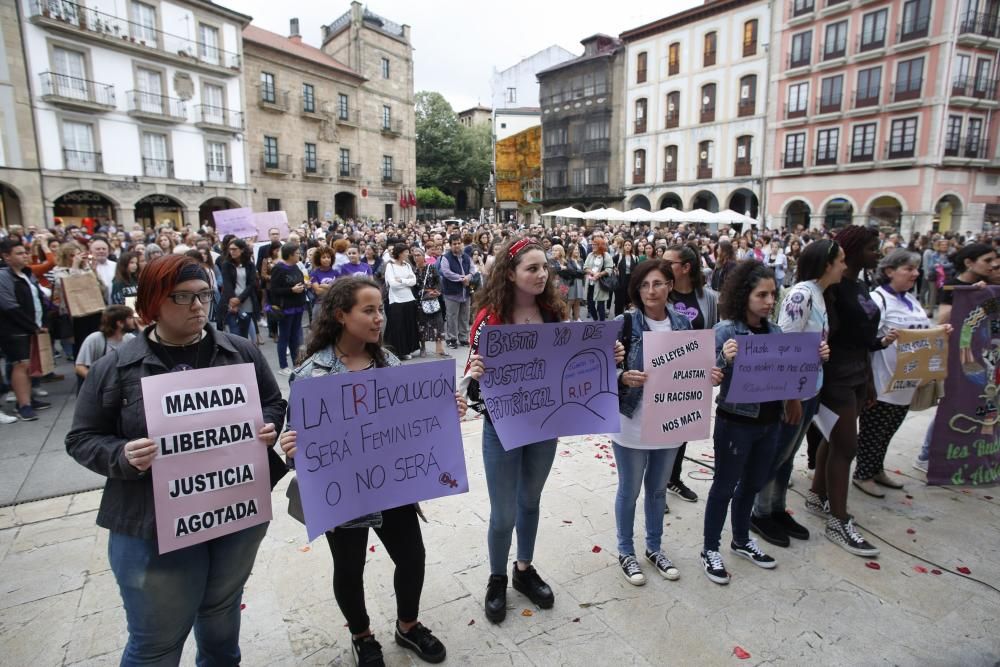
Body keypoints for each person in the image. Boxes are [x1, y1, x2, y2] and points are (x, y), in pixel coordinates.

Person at [65, 254, 286, 665]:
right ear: (152, 302)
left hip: (234, 513)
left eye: (204, 295)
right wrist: (121, 454)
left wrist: (267, 425)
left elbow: (273, 401)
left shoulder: (238, 351)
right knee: (156, 643)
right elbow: (81, 438)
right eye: (182, 298)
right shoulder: (114, 367)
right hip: (150, 525)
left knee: (221, 616)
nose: (198, 307)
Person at [279, 277, 465, 666]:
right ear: (340, 315)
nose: (379, 318)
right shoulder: (311, 376)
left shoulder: (390, 363)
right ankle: (362, 636)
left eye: (380, 309)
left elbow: (412, 422)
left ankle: (408, 626)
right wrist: (294, 450)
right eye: (369, 310)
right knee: (349, 568)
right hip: (343, 494)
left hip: (392, 487)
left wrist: (445, 411)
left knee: (412, 557)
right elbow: (299, 452)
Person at [463, 237, 624, 623]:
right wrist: (475, 371)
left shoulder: (553, 312)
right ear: (510, 273)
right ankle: (497, 577)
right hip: (502, 426)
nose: (541, 274)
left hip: (544, 425)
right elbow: (474, 375)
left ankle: (523, 569)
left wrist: (608, 355)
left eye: (544, 268)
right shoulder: (490, 317)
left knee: (530, 501)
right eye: (531, 268)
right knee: (503, 513)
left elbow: (571, 358)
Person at [703, 261, 827, 584]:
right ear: (745, 295)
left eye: (773, 294)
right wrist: (722, 360)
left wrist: (813, 357)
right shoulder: (726, 331)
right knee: (724, 486)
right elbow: (706, 378)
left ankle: (741, 539)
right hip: (735, 423)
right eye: (762, 294)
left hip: (770, 424)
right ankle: (710, 548)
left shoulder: (775, 332)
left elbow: (786, 373)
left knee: (753, 484)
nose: (770, 301)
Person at [612, 259, 722, 585]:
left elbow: (692, 368)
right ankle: (626, 551)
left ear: (670, 286)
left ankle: (654, 547)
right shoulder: (625, 323)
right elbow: (597, 367)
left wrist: (709, 375)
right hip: (632, 420)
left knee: (658, 491)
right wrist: (620, 375)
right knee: (629, 490)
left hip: (669, 422)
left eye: (658, 283)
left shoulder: (682, 325)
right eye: (644, 285)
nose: (651, 291)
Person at [807, 226, 897, 557]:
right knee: (847, 446)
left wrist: (871, 377)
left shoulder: (860, 284)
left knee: (835, 440)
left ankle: (818, 494)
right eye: (874, 248)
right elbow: (824, 336)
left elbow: (862, 336)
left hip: (859, 374)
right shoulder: (831, 288)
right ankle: (838, 521)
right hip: (836, 377)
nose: (880, 253)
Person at [750, 239, 845, 547]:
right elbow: (785, 346)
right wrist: (789, 396)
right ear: (827, 264)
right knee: (777, 455)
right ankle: (760, 512)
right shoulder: (802, 294)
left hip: (810, 388)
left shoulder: (818, 294)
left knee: (788, 457)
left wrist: (822, 352)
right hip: (796, 393)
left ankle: (777, 508)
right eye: (841, 260)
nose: (845, 266)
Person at [854, 250, 948, 496]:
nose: (915, 274)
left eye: (916, 269)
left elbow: (920, 332)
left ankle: (876, 469)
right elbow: (866, 339)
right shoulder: (878, 299)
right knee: (872, 433)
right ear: (889, 271)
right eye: (908, 268)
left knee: (888, 431)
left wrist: (939, 331)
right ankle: (863, 474)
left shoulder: (911, 300)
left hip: (907, 383)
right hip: (883, 382)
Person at [914, 242, 996, 471]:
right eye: (987, 260)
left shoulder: (991, 285)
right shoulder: (953, 286)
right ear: (969, 262)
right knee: (953, 403)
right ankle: (926, 454)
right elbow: (942, 320)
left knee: (979, 405)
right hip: (958, 355)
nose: (993, 265)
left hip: (985, 356)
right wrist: (970, 295)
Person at [662, 243, 720, 506]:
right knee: (659, 432)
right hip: (663, 374)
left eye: (669, 262)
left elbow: (713, 333)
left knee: (682, 429)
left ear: (685, 267)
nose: (662, 266)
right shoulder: (661, 292)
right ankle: (655, 488)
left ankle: (673, 478)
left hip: (692, 377)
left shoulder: (707, 297)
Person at [0, 239, 51, 421]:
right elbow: (9, 306)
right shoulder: (4, 277)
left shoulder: (26, 274)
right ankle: (24, 405)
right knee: (21, 364)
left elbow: (39, 298)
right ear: (6, 257)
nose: (25, 256)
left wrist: (42, 321)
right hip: (14, 330)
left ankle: (28, 397)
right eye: (19, 253)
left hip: (31, 326)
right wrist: (32, 326)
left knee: (30, 365)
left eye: (25, 252)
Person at [74, 305, 136, 390]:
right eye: (130, 318)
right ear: (120, 323)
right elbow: (79, 367)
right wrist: (99, 382)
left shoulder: (130, 338)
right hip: (98, 391)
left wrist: (142, 329)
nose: (134, 320)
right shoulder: (95, 339)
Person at [269, 242, 308, 374]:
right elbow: (274, 290)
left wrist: (304, 285)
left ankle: (296, 364)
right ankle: (283, 366)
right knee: (284, 336)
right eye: (297, 253)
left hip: (298, 306)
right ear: (290, 255)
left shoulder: (296, 266)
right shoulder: (278, 268)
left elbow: (299, 281)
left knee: (295, 337)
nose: (299, 255)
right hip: (286, 308)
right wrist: (291, 290)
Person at [382, 243, 419, 360]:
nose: (408, 254)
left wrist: (402, 280)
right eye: (406, 252)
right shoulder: (390, 266)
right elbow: (392, 284)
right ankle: (399, 351)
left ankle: (408, 349)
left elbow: (414, 281)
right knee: (398, 327)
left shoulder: (407, 265)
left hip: (409, 299)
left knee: (409, 325)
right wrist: (406, 281)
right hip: (396, 301)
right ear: (399, 253)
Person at [411, 245, 447, 358]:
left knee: (437, 322)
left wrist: (437, 291)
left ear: (423, 256)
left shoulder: (431, 267)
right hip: (420, 300)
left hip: (432, 298)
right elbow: (412, 286)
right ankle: (423, 347)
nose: (416, 257)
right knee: (421, 324)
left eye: (418, 255)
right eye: (414, 255)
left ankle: (439, 347)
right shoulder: (413, 270)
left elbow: (438, 281)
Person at [221, 239, 260, 340]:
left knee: (246, 327)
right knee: (235, 331)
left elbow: (251, 284)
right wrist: (233, 300)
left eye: (234, 249)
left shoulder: (250, 264)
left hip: (246, 300)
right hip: (231, 300)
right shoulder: (226, 264)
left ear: (242, 250)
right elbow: (227, 283)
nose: (231, 252)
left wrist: (240, 299)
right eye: (230, 249)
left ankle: (249, 350)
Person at [440, 234, 473, 349]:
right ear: (450, 245)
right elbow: (446, 272)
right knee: (452, 317)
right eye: (454, 244)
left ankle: (463, 338)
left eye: (459, 243)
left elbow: (473, 270)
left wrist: (468, 277)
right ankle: (451, 338)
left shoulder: (466, 257)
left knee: (464, 316)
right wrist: (461, 278)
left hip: (466, 292)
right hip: (452, 293)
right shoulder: (446, 258)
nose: (457, 245)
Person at [583, 236, 614, 321]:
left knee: (601, 305)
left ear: (600, 245)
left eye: (595, 244)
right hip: (590, 283)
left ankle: (602, 323)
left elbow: (609, 269)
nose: (593, 246)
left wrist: (599, 274)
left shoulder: (606, 255)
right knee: (590, 304)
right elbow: (585, 267)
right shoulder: (590, 255)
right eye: (592, 244)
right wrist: (592, 273)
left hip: (601, 283)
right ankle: (596, 320)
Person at [613, 240, 638, 317]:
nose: (627, 246)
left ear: (631, 247)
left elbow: (637, 268)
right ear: (623, 247)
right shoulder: (619, 256)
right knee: (619, 300)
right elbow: (611, 263)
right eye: (626, 245)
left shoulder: (634, 257)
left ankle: (628, 318)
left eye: (629, 245)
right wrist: (615, 269)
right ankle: (618, 317)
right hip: (620, 281)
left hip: (630, 281)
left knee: (629, 299)